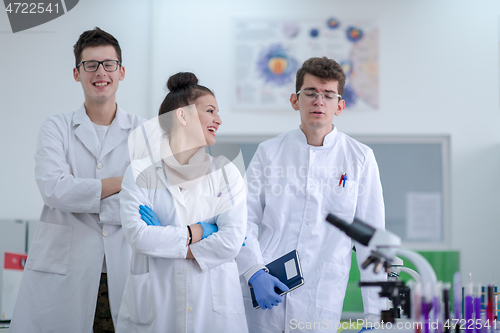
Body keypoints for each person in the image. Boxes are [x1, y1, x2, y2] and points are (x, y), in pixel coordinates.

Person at [236, 57, 387, 332]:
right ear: (295, 100)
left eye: (329, 95)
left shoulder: (360, 158)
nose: (319, 101)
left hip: (320, 297)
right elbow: (243, 219)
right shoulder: (269, 152)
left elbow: (372, 240)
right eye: (311, 93)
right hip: (265, 291)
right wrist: (253, 270)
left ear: (339, 105)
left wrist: (376, 313)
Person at [9, 27, 144, 333]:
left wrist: (83, 198)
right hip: (66, 271)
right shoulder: (55, 128)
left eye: (109, 64)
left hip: (123, 267)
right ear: (76, 73)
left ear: (121, 72)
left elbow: (147, 199)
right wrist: (124, 184)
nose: (101, 72)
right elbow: (55, 191)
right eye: (91, 64)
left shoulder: (144, 132)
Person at [116, 72, 248, 333]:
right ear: (182, 116)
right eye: (210, 111)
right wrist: (196, 232)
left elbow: (231, 241)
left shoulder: (226, 172)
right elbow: (138, 236)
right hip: (156, 308)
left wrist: (167, 242)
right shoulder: (141, 171)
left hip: (213, 311)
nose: (218, 120)